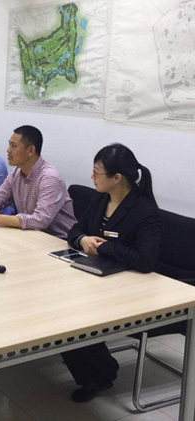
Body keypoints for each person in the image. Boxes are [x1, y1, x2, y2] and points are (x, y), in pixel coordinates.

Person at [62, 143, 161, 403]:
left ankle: (100, 374)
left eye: (97, 173)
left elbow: (145, 260)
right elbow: (75, 229)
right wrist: (83, 239)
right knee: (59, 305)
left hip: (129, 286)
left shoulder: (144, 210)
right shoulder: (101, 198)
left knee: (72, 316)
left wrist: (104, 247)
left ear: (117, 178)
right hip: (95, 275)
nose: (91, 177)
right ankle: (90, 361)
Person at [0, 125, 76, 239]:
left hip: (59, 240)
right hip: (30, 235)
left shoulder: (49, 178)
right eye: (9, 145)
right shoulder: (16, 172)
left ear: (30, 150)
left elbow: (41, 220)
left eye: (13, 146)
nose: (8, 150)